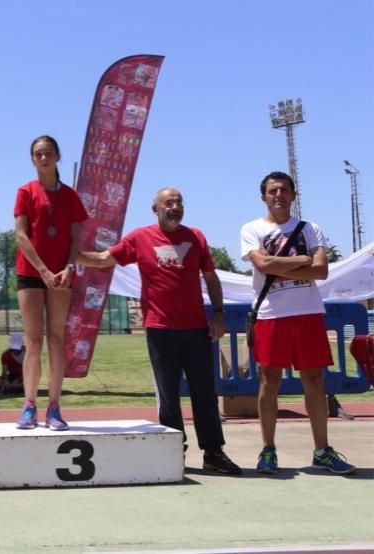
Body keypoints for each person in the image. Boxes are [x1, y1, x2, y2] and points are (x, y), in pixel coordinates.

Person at [77, 187, 242, 474]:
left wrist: (218, 315)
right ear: (156, 209)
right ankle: (172, 451)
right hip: (160, 330)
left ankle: (214, 452)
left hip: (196, 330)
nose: (175, 207)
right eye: (169, 203)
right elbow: (104, 260)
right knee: (168, 396)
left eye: (179, 202)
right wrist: (69, 256)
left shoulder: (196, 237)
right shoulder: (139, 238)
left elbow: (211, 277)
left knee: (205, 393)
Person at [240, 171, 355, 475]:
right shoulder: (251, 229)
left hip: (306, 314)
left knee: (315, 381)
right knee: (270, 381)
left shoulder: (310, 228)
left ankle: (323, 450)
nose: (278, 195)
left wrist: (283, 266)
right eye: (272, 191)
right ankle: (268, 450)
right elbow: (263, 265)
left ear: (293, 195)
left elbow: (320, 272)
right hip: (270, 314)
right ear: (263, 196)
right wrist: (302, 261)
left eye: (284, 190)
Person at [13, 135, 89, 430]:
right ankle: (29, 405)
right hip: (32, 272)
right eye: (37, 154)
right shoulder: (25, 191)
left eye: (48, 153)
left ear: (57, 157)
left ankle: (54, 407)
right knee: (33, 340)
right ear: (32, 160)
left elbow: (75, 237)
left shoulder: (70, 195)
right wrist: (43, 269)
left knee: (56, 339)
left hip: (62, 274)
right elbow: (21, 235)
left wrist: (69, 267)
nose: (43, 158)